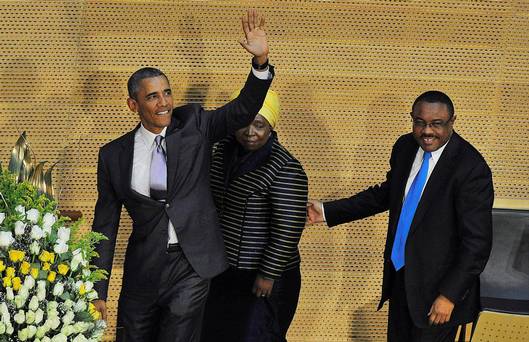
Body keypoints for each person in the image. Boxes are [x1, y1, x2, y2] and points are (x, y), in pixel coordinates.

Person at [90, 10, 274, 342]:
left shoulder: (195, 126)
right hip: (143, 270)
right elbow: (105, 225)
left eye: (167, 93)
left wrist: (260, 61)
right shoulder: (113, 156)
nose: (164, 103)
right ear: (133, 105)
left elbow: (243, 109)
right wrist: (97, 289)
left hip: (192, 265)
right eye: (152, 96)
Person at [307, 91, 493, 342]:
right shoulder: (405, 147)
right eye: (420, 122)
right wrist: (328, 211)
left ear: (452, 122)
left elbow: (477, 244)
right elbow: (385, 195)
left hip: (439, 295)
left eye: (436, 124)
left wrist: (449, 296)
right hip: (402, 278)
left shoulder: (471, 168)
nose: (427, 131)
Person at [202, 90, 308, 342]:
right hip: (225, 271)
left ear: (271, 126)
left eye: (259, 125)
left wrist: (268, 274)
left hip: (263, 278)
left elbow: (289, 228)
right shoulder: (222, 151)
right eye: (244, 122)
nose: (250, 131)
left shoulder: (284, 167)